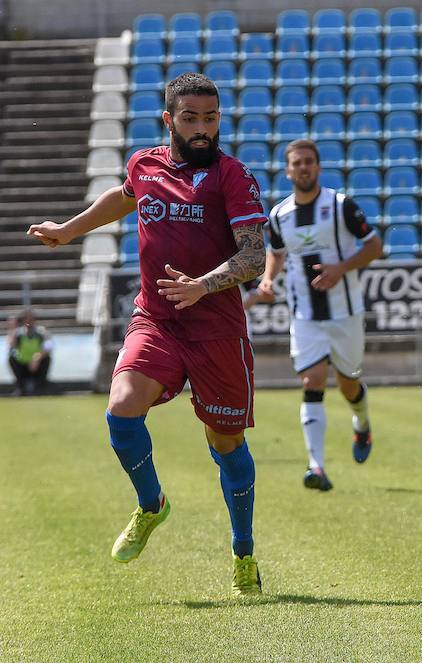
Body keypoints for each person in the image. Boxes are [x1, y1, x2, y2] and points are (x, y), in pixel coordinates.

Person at [27, 73, 268, 596]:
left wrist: (203, 286)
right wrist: (67, 231)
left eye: (211, 118)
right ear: (169, 120)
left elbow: (254, 256)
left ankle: (243, 550)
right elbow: (123, 196)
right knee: (121, 406)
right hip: (156, 319)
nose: (202, 129)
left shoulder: (234, 177)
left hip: (217, 330)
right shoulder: (145, 163)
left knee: (226, 445)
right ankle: (151, 504)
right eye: (190, 119)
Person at [258, 139, 382, 492]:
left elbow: (374, 246)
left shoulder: (341, 205)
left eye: (309, 162)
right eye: (296, 163)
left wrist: (340, 268)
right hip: (305, 314)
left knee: (348, 382)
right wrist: (268, 279)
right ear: (287, 170)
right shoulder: (279, 215)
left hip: (345, 313)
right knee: (312, 380)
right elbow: (277, 253)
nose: (303, 168)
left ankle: (362, 423)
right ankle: (317, 466)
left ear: (318, 166)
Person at [6, 310, 53, 396]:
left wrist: (37, 358)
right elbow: (11, 345)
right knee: (11, 358)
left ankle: (40, 387)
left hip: (37, 365)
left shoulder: (42, 332)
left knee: (47, 358)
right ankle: (20, 387)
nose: (28, 322)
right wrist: (12, 328)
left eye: (31, 320)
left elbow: (48, 347)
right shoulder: (18, 333)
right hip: (22, 365)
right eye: (26, 320)